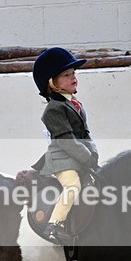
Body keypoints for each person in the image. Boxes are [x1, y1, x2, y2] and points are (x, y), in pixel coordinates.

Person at [31, 47, 100, 244]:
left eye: (74, 74)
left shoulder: (75, 104)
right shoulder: (53, 110)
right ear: (52, 83)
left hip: (80, 156)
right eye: (67, 75)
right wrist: (87, 158)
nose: (74, 78)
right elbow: (67, 140)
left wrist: (93, 153)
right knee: (73, 186)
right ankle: (55, 225)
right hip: (63, 161)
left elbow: (85, 133)